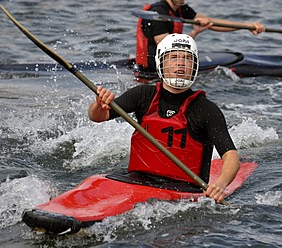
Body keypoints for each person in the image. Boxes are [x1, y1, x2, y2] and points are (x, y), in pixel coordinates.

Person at [89, 34, 240, 203]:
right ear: (161, 62)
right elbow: (97, 117)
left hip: (184, 190)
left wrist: (220, 184)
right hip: (135, 180)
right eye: (174, 57)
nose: (181, 62)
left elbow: (231, 156)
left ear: (194, 66)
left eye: (187, 59)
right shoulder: (142, 95)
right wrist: (99, 104)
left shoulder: (206, 109)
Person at [136, 0, 265, 72]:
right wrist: (195, 33)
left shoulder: (180, 8)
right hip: (152, 70)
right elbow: (166, 46)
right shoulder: (158, 12)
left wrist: (247, 26)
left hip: (171, 65)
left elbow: (213, 23)